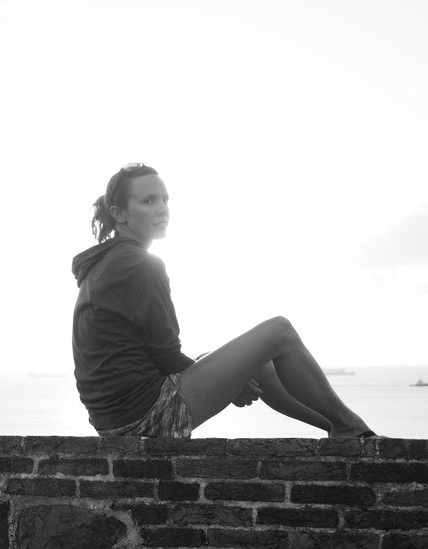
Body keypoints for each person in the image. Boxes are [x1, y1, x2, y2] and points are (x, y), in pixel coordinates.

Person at [72, 163, 376, 439]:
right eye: (148, 201)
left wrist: (234, 381)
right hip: (145, 418)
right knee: (278, 331)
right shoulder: (140, 264)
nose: (162, 209)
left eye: (165, 200)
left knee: (260, 364)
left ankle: (339, 430)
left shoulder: (102, 264)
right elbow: (166, 356)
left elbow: (150, 356)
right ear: (119, 214)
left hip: (112, 421)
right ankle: (352, 427)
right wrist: (234, 388)